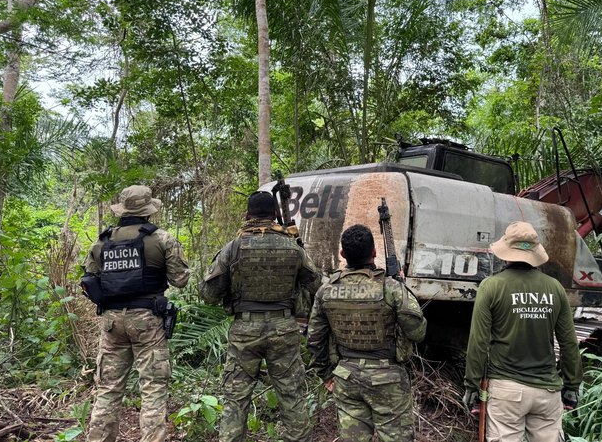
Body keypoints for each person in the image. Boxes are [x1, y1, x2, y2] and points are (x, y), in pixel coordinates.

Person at [200, 190, 321, 442]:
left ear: (247, 214)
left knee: (236, 397)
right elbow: (317, 285)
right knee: (291, 394)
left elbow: (209, 294)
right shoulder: (292, 247)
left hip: (244, 329)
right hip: (284, 327)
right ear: (275, 214)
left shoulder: (233, 247)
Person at [82, 185, 190, 442]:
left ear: (123, 209)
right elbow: (181, 280)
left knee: (108, 389)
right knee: (152, 389)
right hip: (147, 320)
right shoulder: (162, 239)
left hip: (111, 322)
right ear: (148, 210)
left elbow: (88, 279)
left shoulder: (102, 241)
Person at [463, 221, 582, 442]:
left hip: (506, 391)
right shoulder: (554, 288)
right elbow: (568, 343)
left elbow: (478, 342)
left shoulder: (491, 286)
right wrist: (572, 385)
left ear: (506, 251)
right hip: (547, 392)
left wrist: (472, 385)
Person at [307, 224, 427, 442]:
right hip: (388, 378)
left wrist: (326, 374)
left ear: (342, 254)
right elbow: (417, 332)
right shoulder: (390, 288)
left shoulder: (326, 291)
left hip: (346, 376)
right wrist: (403, 289)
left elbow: (314, 339)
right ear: (373, 253)